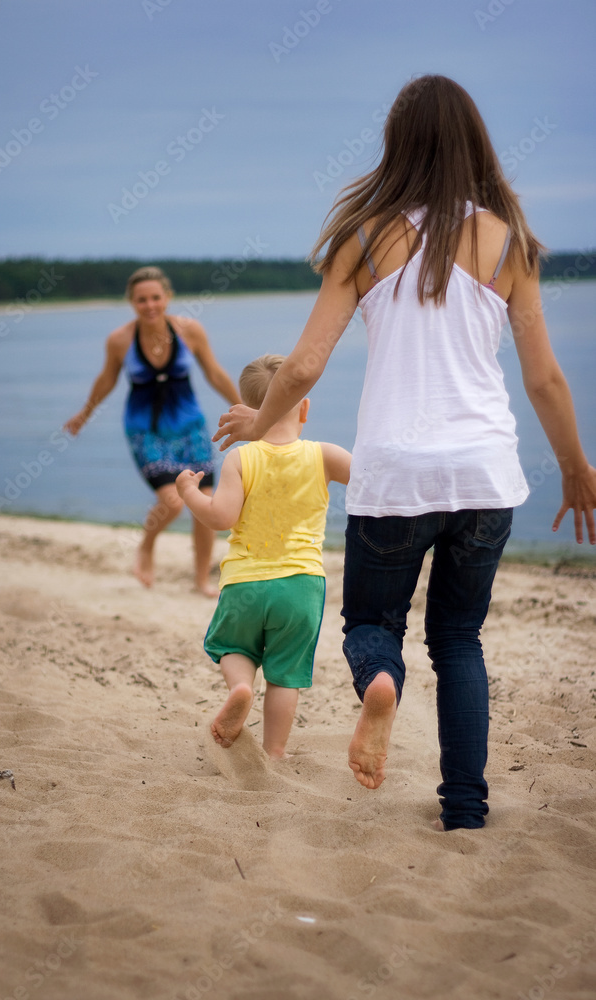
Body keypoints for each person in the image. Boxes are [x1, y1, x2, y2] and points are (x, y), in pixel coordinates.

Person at [213, 76, 596, 829]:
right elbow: (544, 377)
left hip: (394, 476)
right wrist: (577, 468)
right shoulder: (508, 241)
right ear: (475, 144)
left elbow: (303, 366)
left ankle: (381, 682)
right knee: (458, 636)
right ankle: (464, 807)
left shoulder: (363, 234)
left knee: (369, 624)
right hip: (486, 472)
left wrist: (259, 424)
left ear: (397, 145)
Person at [176, 354, 351, 759]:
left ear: (247, 412)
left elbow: (221, 518)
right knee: (285, 675)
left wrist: (189, 494)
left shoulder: (240, 457)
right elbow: (373, 480)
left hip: (245, 583)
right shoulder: (324, 454)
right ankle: (275, 752)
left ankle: (240, 688)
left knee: (233, 647)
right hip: (301, 585)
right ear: (304, 407)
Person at [64, 266, 240, 596]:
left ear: (168, 297)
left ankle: (201, 579)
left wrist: (244, 408)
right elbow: (106, 381)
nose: (150, 305)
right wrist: (84, 413)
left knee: (206, 504)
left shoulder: (190, 331)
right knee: (172, 501)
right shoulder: (119, 340)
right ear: (131, 302)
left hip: (190, 428)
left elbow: (215, 374)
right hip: (145, 429)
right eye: (142, 300)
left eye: (156, 298)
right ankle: (146, 547)